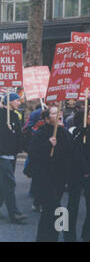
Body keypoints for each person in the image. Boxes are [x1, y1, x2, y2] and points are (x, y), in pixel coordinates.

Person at [28, 107, 73, 241]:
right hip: (44, 177)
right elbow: (33, 152)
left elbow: (71, 153)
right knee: (56, 208)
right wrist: (48, 144)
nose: (59, 114)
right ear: (47, 119)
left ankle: (47, 238)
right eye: (54, 113)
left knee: (49, 211)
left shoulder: (64, 133)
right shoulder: (41, 133)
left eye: (59, 112)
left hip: (59, 177)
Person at [65, 109, 90, 242]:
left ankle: (89, 235)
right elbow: (73, 150)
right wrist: (81, 133)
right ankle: (68, 235)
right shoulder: (73, 130)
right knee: (72, 205)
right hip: (76, 173)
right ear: (82, 117)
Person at [0, 93, 27, 224]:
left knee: (3, 184)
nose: (20, 102)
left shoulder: (16, 115)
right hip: (2, 155)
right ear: (9, 101)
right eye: (17, 100)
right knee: (10, 183)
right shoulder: (1, 114)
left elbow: (19, 136)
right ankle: (14, 213)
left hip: (12, 155)